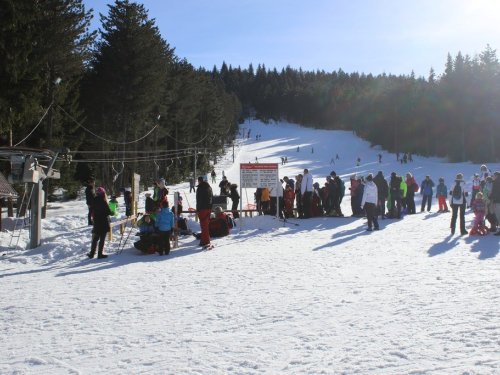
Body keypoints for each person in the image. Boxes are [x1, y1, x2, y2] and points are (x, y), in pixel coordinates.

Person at [88, 187, 113, 259]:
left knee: (95, 238)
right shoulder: (103, 201)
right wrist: (112, 213)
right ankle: (100, 253)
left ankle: (92, 253)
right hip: (103, 221)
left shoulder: (93, 200)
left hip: (96, 221)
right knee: (102, 238)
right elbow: (108, 211)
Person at [196, 176, 213, 246]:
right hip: (209, 207)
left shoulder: (200, 188)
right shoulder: (209, 187)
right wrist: (211, 207)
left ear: (199, 181)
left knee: (203, 225)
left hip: (203, 208)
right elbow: (212, 197)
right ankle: (204, 240)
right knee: (205, 224)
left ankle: (206, 241)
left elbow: (199, 200)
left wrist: (198, 209)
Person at [489, 171, 500, 236]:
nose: (493, 177)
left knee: (498, 216)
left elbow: (495, 192)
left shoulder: (495, 182)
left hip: (498, 200)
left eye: (494, 175)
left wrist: (490, 197)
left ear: (496, 176)